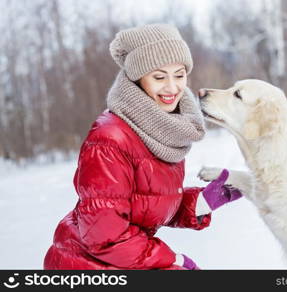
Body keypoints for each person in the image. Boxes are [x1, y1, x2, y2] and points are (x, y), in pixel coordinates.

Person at [43, 24, 242, 270]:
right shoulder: (109, 140)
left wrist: (202, 201)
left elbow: (145, 202)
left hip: (120, 260)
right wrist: (174, 260)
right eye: (159, 77)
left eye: (179, 75)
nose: (172, 87)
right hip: (84, 266)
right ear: (138, 79)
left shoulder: (165, 129)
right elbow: (105, 238)